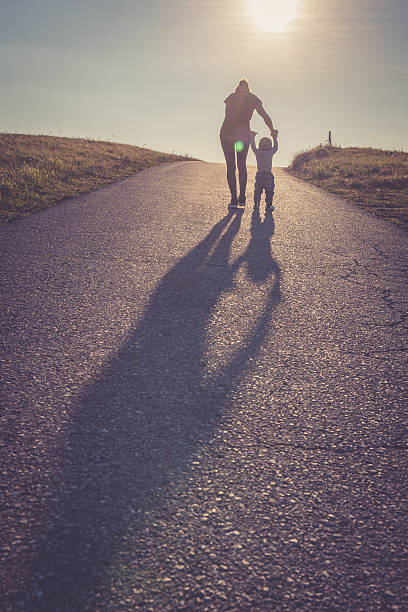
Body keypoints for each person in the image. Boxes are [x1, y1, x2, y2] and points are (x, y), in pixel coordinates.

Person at [220, 78, 277, 209]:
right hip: (229, 135)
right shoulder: (234, 98)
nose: (243, 91)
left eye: (245, 89)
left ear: (247, 89)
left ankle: (241, 198)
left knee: (240, 165)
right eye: (242, 88)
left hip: (237, 134)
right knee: (231, 166)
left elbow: (264, 115)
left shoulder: (251, 99)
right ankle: (234, 198)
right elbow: (228, 116)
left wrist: (272, 129)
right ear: (239, 88)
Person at [250, 131, 278, 210]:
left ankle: (257, 203)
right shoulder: (270, 152)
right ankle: (268, 204)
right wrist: (274, 137)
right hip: (268, 175)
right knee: (269, 191)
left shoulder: (258, 152)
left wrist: (252, 138)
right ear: (270, 145)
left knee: (258, 191)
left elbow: (253, 147)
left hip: (260, 174)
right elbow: (276, 147)